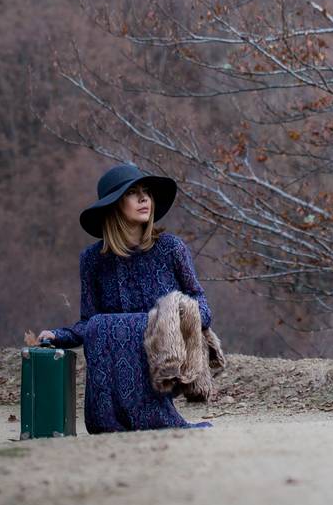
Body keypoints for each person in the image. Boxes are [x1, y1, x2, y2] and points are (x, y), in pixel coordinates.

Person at [37, 161, 216, 433]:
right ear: (114, 205)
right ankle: (108, 419)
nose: (144, 198)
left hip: (167, 353)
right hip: (113, 360)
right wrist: (59, 335)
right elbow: (90, 322)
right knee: (103, 325)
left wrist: (177, 314)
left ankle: (159, 418)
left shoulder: (171, 249)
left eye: (146, 192)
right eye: (133, 193)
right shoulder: (92, 260)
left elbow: (202, 304)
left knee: (129, 325)